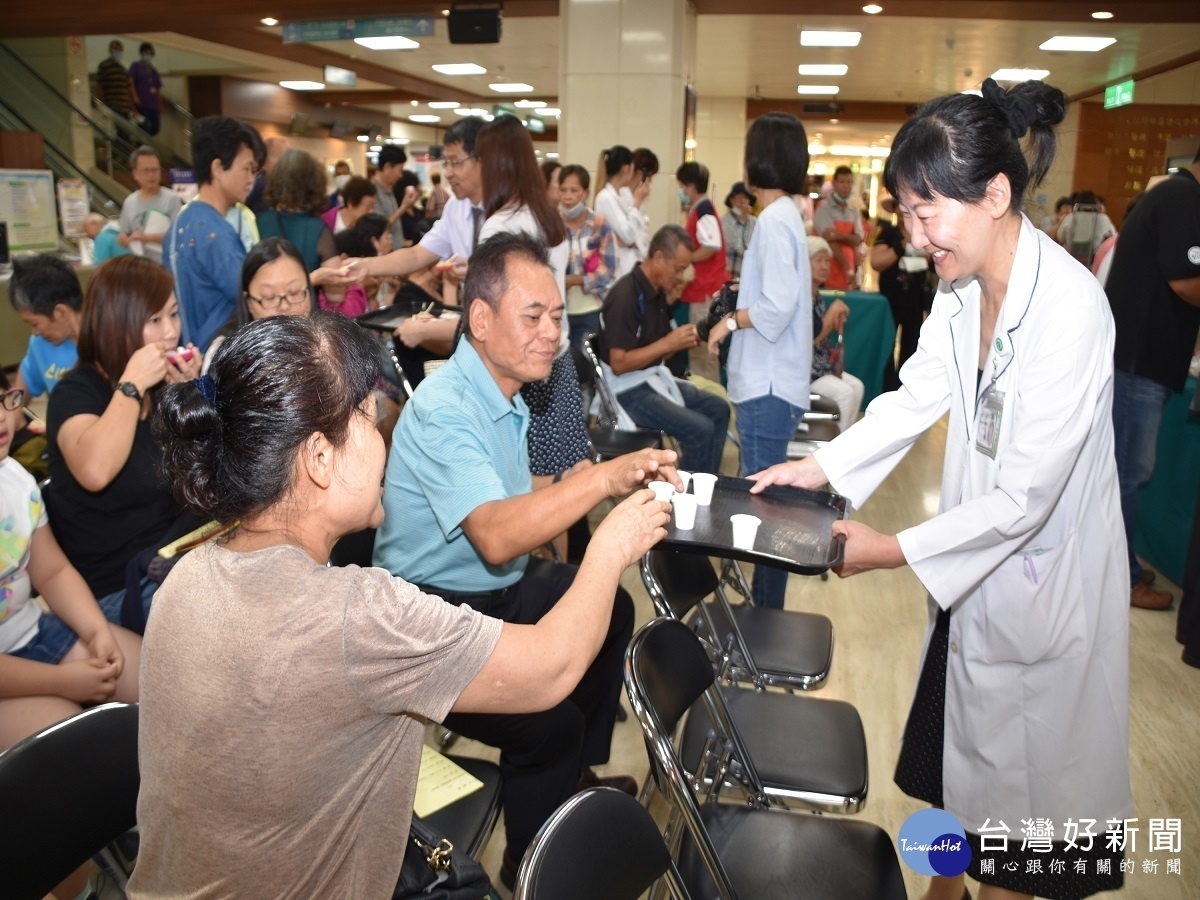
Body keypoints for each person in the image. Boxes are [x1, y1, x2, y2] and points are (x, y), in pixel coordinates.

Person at [130, 311, 668, 897]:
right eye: (368, 416)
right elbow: (553, 667)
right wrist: (611, 545)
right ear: (319, 458)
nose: (385, 433)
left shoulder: (185, 574)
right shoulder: (356, 615)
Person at [752, 78, 1133, 900]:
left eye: (929, 212)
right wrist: (818, 468)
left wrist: (890, 549)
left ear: (996, 193)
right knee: (963, 782)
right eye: (907, 212)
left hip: (1041, 584)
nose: (917, 235)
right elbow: (916, 395)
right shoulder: (962, 292)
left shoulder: (1070, 311)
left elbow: (1026, 500)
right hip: (974, 575)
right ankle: (945, 886)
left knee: (1026, 823)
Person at [373, 232, 680, 888]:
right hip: (429, 612)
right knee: (547, 722)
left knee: (612, 610)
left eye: (556, 317)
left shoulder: (502, 395)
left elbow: (512, 501)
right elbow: (495, 533)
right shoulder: (444, 408)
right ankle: (532, 862)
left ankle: (567, 784)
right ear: (479, 321)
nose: (552, 334)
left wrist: (605, 476)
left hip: (489, 588)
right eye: (533, 317)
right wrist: (593, 486)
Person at [0, 366, 143, 900]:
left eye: (5, 398)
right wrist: (66, 683)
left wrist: (94, 632)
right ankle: (84, 878)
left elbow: (53, 572)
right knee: (73, 759)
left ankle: (139, 821)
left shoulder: (12, 478)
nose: (3, 415)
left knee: (159, 676)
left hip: (33, 634)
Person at [45, 255, 200, 618]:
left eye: (174, 314)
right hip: (117, 587)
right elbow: (95, 471)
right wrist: (131, 385)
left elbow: (203, 475)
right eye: (155, 319)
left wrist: (191, 399)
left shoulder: (160, 389)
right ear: (118, 322)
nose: (170, 332)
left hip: (170, 556)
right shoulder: (76, 393)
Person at [703, 112, 812, 610]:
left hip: (768, 383)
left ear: (759, 159)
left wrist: (729, 321)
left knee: (765, 512)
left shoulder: (772, 220)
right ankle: (763, 611)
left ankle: (765, 618)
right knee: (766, 506)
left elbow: (775, 307)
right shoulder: (786, 214)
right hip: (775, 380)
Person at [1105, 148, 1200, 610]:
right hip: (1138, 362)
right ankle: (1119, 578)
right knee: (1126, 472)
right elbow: (1187, 280)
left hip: (1141, 360)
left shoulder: (1174, 194)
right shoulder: (1185, 198)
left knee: (1126, 470)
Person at [475, 115, 590, 486]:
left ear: (493, 165)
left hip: (520, 370)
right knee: (564, 484)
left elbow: (491, 313)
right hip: (556, 359)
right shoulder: (546, 217)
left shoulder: (500, 224)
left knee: (531, 491)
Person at [599, 224, 729, 474]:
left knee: (719, 409)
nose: (680, 277)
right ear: (658, 258)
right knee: (699, 429)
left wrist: (683, 340)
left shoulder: (656, 292)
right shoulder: (626, 296)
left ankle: (707, 483)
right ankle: (688, 499)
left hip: (650, 378)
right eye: (678, 269)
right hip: (627, 389)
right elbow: (619, 363)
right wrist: (668, 344)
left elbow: (659, 352)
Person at [170, 115, 265, 351]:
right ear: (218, 168)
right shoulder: (216, 234)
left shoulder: (183, 220)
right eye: (247, 169)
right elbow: (256, 295)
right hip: (213, 355)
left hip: (189, 352)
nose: (251, 180)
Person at [202, 237, 313, 372]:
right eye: (269, 297)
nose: (284, 306)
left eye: (294, 292)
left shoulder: (326, 348)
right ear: (248, 302)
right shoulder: (224, 354)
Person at [870, 194, 930, 391]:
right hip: (890, 301)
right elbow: (876, 262)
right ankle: (886, 389)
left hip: (915, 301)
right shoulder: (888, 234)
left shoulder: (924, 233)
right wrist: (900, 247)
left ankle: (906, 390)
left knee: (912, 349)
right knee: (887, 347)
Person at [557, 163, 617, 352]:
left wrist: (577, 280)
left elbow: (609, 269)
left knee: (586, 367)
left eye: (574, 191)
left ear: (586, 193)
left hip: (591, 309)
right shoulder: (551, 224)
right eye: (563, 190)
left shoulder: (599, 224)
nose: (567, 196)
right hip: (558, 311)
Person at [8, 254, 83, 402]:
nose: (34, 332)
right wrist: (9, 408)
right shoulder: (40, 343)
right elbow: (18, 394)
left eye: (35, 323)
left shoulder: (109, 336)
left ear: (60, 313)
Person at [807, 236, 863, 431]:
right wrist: (832, 313)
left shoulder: (817, 295)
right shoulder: (800, 296)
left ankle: (842, 446)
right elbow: (812, 339)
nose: (824, 266)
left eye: (826, 261)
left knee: (857, 387)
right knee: (845, 393)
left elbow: (822, 332)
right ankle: (833, 454)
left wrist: (834, 321)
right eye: (818, 260)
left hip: (821, 367)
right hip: (805, 372)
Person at [256, 148, 339, 273]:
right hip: (306, 292)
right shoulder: (319, 229)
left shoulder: (257, 221)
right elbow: (335, 288)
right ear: (314, 184)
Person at [675, 160, 729, 326]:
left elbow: (711, 246)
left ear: (690, 187)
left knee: (702, 348)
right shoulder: (700, 209)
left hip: (706, 287)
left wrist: (687, 258)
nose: (681, 191)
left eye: (682, 186)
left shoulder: (703, 210)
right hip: (704, 287)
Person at [594, 145, 652, 280]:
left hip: (631, 263)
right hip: (618, 268)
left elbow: (639, 230)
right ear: (626, 168)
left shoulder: (622, 194)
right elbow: (628, 235)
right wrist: (637, 202)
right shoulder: (605, 197)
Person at [119, 146, 183, 266]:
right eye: (146, 171)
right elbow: (124, 232)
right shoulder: (129, 202)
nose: (151, 175)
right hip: (139, 268)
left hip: (166, 267)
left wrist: (146, 238)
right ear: (135, 174)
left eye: (155, 170)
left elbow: (178, 235)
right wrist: (124, 239)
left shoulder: (171, 199)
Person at [814, 165, 864, 291]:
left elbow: (858, 239)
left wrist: (838, 235)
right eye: (842, 182)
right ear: (833, 183)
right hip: (827, 270)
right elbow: (831, 242)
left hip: (850, 271)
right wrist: (847, 268)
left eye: (849, 182)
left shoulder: (854, 211)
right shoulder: (823, 208)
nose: (846, 186)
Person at [372, 144, 418, 251]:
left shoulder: (389, 188)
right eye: (400, 170)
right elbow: (380, 227)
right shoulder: (372, 191)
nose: (401, 175)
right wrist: (403, 207)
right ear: (387, 167)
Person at [1056, 189, 1115, 269]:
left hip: (1071, 264)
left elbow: (1060, 236)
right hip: (1093, 265)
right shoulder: (1103, 219)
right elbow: (1112, 238)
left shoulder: (1070, 218)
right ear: (1095, 204)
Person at [721, 181, 757, 279]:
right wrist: (741, 219)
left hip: (748, 275)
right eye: (739, 197)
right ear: (732, 200)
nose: (743, 201)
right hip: (729, 273)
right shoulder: (724, 221)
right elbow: (733, 244)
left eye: (746, 198)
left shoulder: (754, 222)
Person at [127, 42, 163, 135]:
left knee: (156, 128)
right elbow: (131, 82)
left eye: (151, 53)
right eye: (147, 53)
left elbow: (157, 88)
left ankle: (148, 144)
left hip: (153, 103)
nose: (149, 55)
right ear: (142, 53)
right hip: (142, 102)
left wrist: (160, 104)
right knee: (144, 126)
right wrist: (135, 96)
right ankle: (143, 145)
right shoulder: (136, 66)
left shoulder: (153, 70)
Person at [96, 39, 134, 118]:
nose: (118, 52)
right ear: (110, 50)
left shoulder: (122, 69)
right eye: (116, 49)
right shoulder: (104, 66)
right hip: (112, 106)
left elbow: (127, 90)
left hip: (124, 108)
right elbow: (99, 86)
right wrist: (102, 105)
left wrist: (131, 108)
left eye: (120, 50)